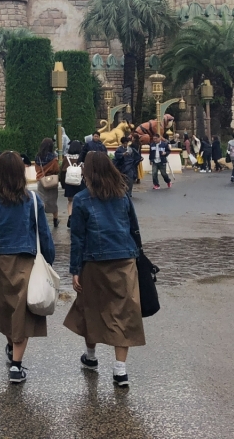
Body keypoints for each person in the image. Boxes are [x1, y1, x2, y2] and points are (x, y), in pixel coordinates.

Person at [0, 151, 55, 384]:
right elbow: (43, 233)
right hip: (26, 260)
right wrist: (49, 258)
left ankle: (12, 349)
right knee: (21, 312)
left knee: (6, 307)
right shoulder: (33, 200)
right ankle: (16, 365)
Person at [64, 151, 145, 388]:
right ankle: (120, 370)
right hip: (124, 261)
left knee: (92, 309)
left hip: (94, 262)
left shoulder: (81, 199)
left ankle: (91, 357)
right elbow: (134, 229)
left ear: (87, 173)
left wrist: (75, 269)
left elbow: (78, 238)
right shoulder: (122, 196)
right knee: (124, 312)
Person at [34, 138, 62, 229]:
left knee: (42, 200)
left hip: (41, 180)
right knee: (52, 201)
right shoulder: (53, 157)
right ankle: (55, 220)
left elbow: (36, 169)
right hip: (51, 181)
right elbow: (56, 169)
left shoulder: (37, 157)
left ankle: (41, 220)